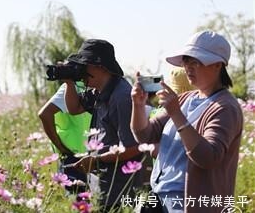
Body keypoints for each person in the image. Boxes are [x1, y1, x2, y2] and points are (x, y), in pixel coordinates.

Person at [130, 30, 243, 213]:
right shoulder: (185, 99)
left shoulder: (226, 107)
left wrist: (176, 114)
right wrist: (138, 106)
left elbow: (207, 157)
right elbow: (145, 134)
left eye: (196, 62)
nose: (188, 67)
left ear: (217, 65)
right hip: (158, 198)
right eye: (186, 61)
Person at [63, 39, 143, 210]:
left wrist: (97, 161)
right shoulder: (100, 91)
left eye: (84, 66)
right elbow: (74, 108)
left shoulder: (121, 97)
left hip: (119, 190)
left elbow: (134, 147)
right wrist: (69, 81)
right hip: (102, 186)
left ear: (100, 67)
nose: (81, 71)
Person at [38, 82, 91, 194]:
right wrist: (61, 148)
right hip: (73, 156)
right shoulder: (72, 87)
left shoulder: (92, 86)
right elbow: (44, 114)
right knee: (78, 200)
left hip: (90, 155)